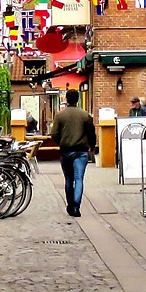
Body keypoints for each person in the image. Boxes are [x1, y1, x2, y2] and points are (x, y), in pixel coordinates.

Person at [52, 89, 95, 217]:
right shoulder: (85, 115)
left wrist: (61, 142)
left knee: (69, 179)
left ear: (66, 99)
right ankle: (76, 206)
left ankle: (70, 205)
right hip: (81, 151)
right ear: (78, 99)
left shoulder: (60, 115)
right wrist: (92, 146)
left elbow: (54, 133)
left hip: (66, 151)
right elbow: (91, 133)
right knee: (79, 179)